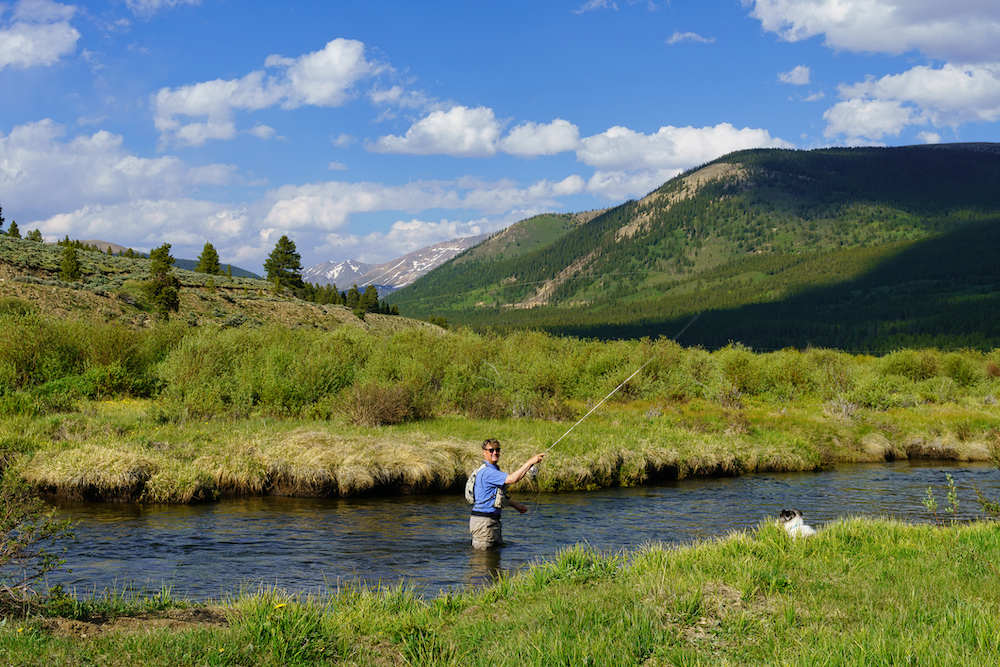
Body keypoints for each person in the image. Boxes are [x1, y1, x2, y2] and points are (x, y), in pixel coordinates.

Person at [469, 438, 546, 550]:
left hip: (490, 521)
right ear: (483, 452)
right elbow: (513, 479)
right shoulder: (487, 472)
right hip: (484, 523)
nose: (495, 453)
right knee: (483, 561)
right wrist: (530, 461)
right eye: (491, 450)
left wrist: (516, 506)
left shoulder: (493, 470)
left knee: (494, 561)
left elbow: (495, 497)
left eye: (497, 450)